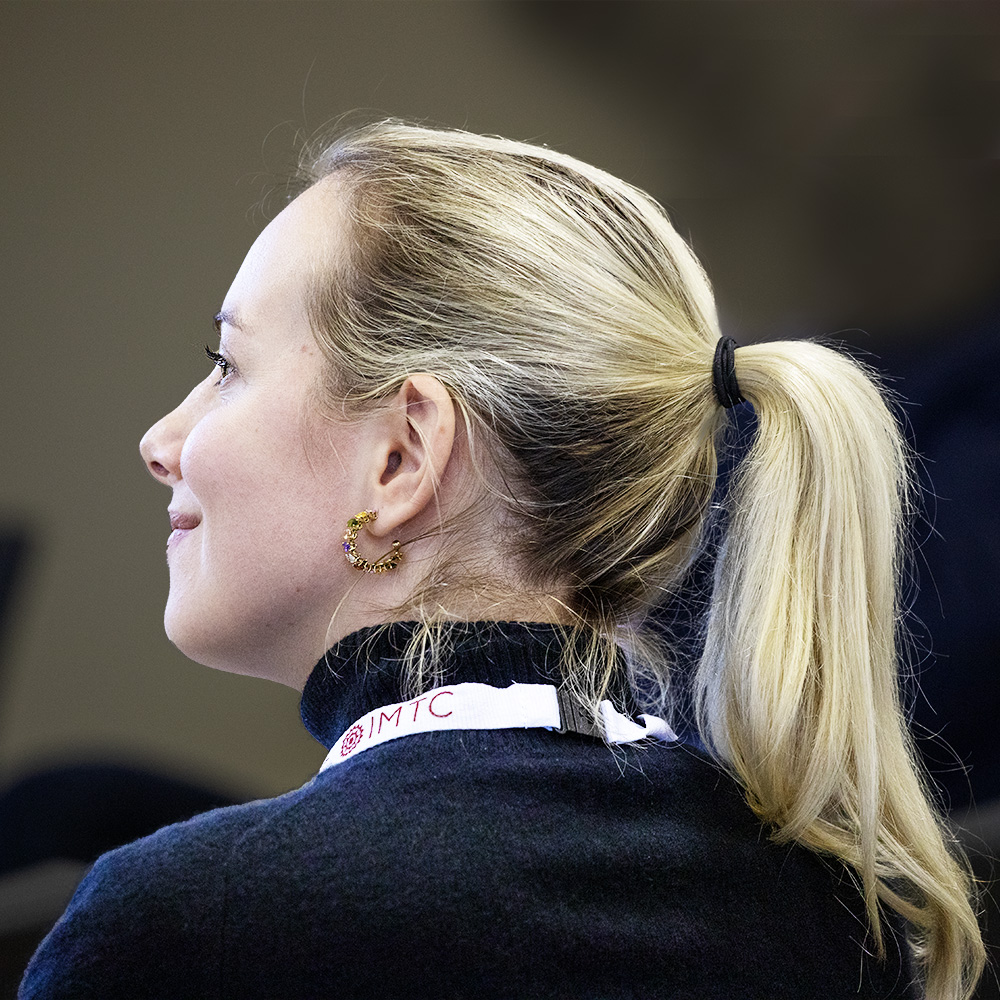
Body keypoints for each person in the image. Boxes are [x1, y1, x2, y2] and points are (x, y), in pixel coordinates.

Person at [20, 121, 984, 999]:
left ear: (401, 460)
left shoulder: (196, 930)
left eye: (228, 366)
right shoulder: (835, 921)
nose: (161, 441)